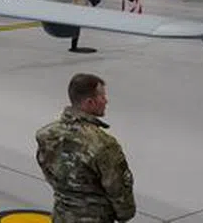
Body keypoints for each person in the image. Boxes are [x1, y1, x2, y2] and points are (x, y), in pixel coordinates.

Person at [35, 73, 135, 223]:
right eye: (102, 96)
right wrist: (124, 214)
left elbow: (50, 173)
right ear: (90, 102)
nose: (106, 101)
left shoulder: (46, 135)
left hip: (61, 216)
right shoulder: (103, 144)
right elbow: (119, 191)